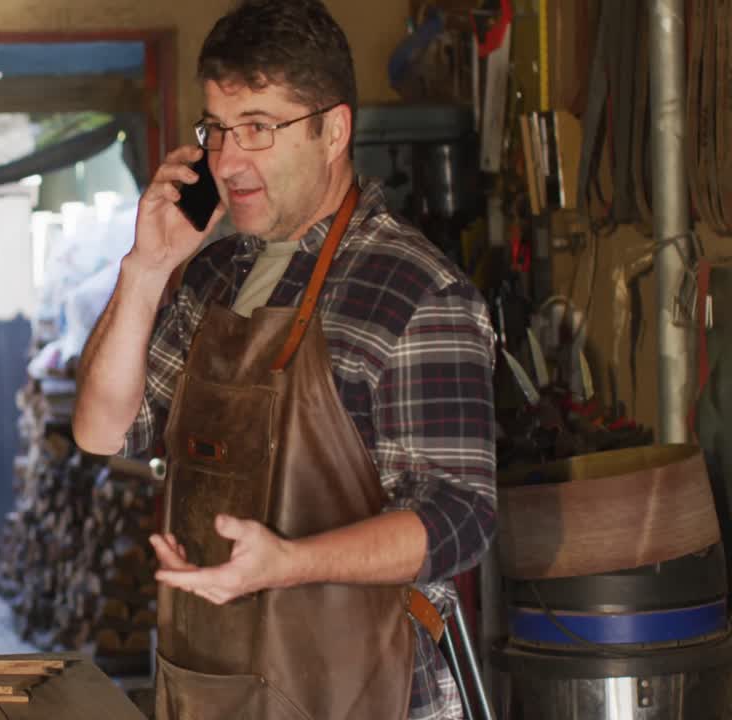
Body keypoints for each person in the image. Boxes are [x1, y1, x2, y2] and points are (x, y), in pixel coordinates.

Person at [71, 1, 497, 718]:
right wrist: (144, 271)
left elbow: (461, 516)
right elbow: (103, 430)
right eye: (216, 129)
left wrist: (291, 564)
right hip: (217, 684)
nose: (227, 160)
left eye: (260, 128)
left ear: (333, 130)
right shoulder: (214, 277)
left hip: (364, 690)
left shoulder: (415, 291)